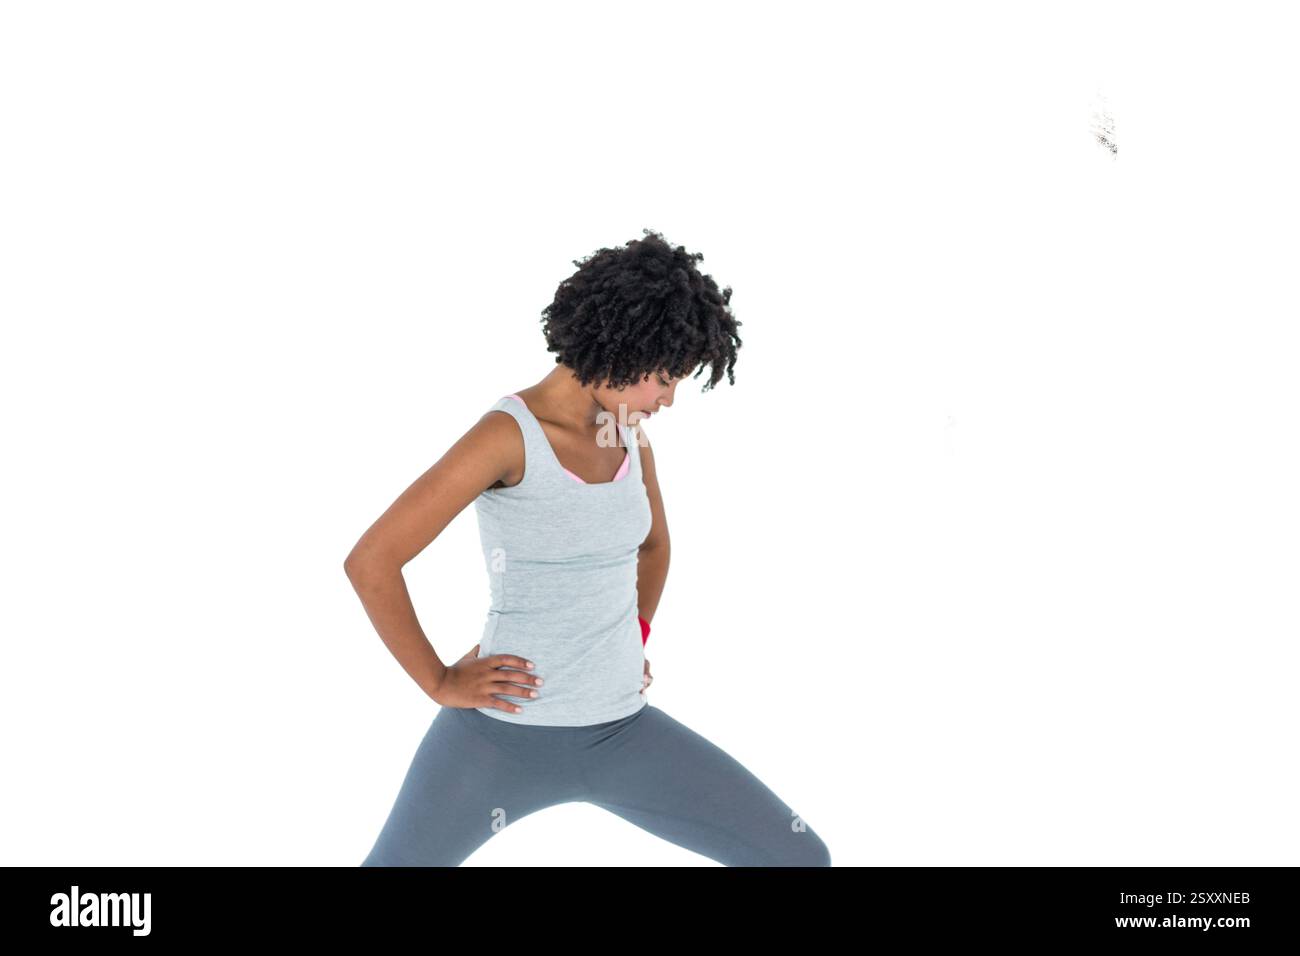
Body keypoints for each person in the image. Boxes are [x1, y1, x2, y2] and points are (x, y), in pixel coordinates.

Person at [346, 229, 831, 866]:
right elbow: (372, 560)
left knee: (796, 855)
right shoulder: (507, 436)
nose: (669, 398)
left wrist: (633, 636)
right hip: (499, 739)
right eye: (664, 378)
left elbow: (654, 547)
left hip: (621, 733)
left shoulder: (627, 433)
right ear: (623, 349)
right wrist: (439, 681)